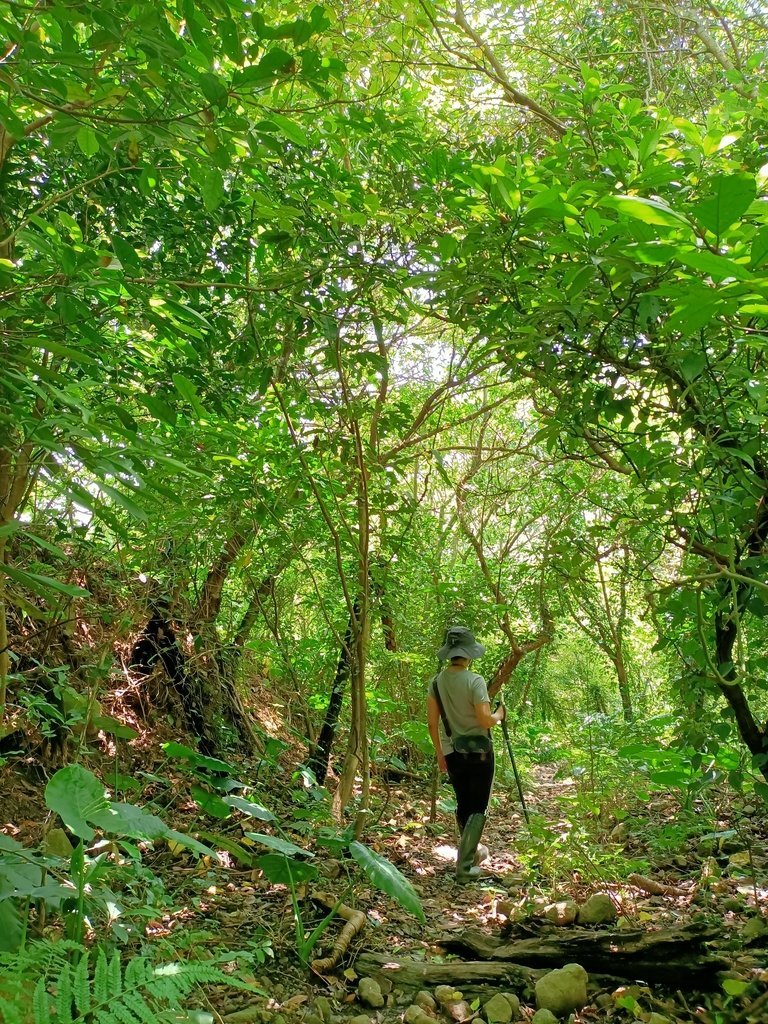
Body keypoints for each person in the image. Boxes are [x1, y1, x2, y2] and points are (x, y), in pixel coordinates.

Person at [427, 625, 506, 883]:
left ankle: (470, 856)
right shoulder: (475, 681)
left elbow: (431, 723)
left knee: (463, 804)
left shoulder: (436, 683)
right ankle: (465, 867)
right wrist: (499, 715)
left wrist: (440, 753)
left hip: (452, 752)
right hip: (480, 753)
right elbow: (484, 720)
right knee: (479, 807)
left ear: (450, 653)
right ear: (468, 654)